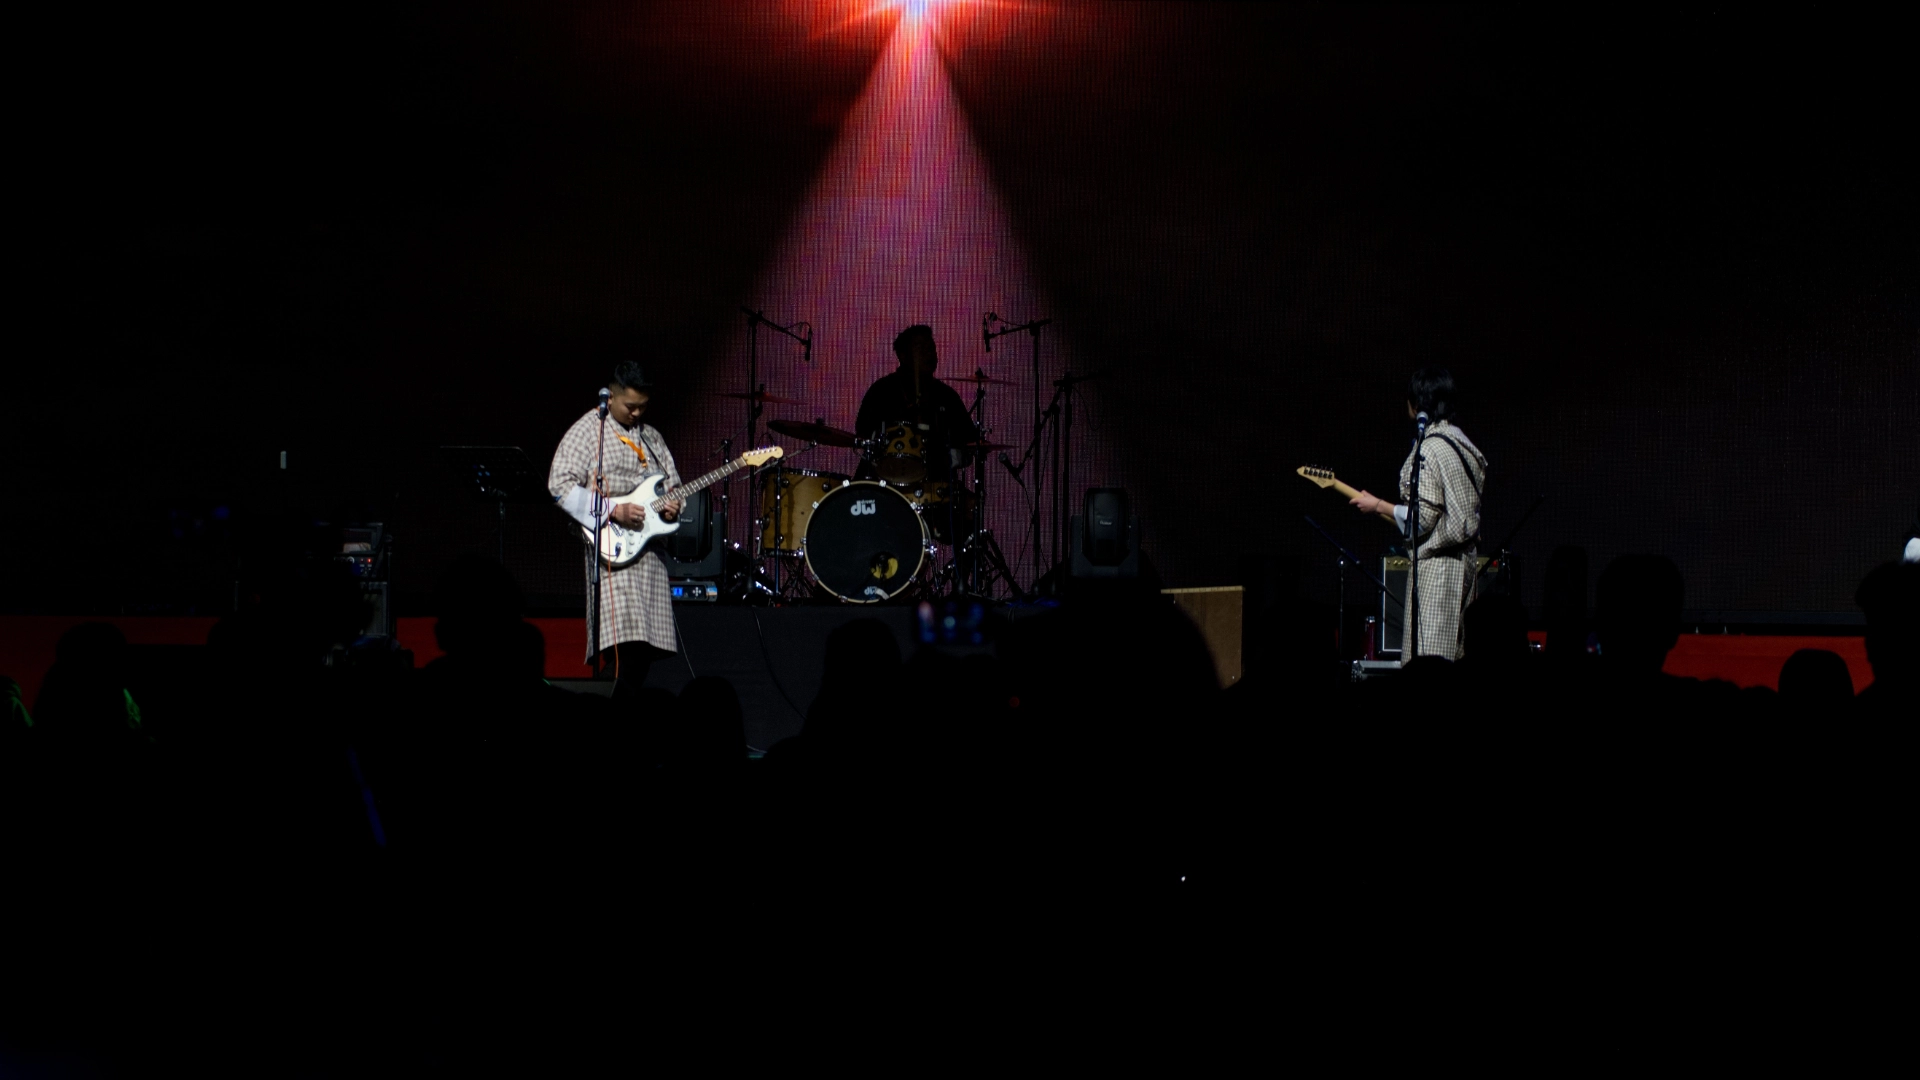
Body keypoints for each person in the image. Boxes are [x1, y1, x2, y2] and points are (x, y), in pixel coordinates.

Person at [548, 361, 685, 690]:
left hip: (649, 558)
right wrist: (613, 510)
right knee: (625, 647)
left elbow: (673, 487)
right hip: (613, 555)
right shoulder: (589, 430)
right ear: (610, 398)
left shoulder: (651, 437)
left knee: (644, 651)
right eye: (630, 406)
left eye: (643, 407)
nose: (637, 413)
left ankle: (617, 709)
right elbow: (559, 485)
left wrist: (673, 507)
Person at [1348, 367, 1488, 661]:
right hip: (1464, 567)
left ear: (1416, 404)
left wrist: (1377, 506)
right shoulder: (1462, 444)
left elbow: (1422, 519)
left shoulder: (1430, 449)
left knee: (1428, 662)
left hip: (1438, 571)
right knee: (1453, 659)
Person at [855, 325, 983, 486]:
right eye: (920, 347)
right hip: (886, 480)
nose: (929, 352)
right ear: (903, 355)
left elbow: (969, 440)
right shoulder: (882, 391)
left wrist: (955, 455)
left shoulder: (946, 395)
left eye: (931, 347)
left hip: (935, 485)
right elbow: (864, 432)